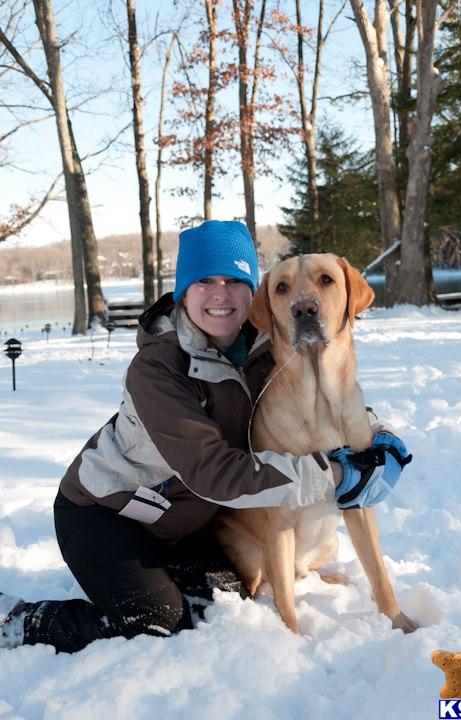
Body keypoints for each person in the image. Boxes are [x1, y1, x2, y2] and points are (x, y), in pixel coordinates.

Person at [0, 220, 410, 653]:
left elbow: (321, 401)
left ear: (252, 292)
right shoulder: (157, 370)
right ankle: (23, 622)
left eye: (234, 280)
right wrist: (335, 475)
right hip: (106, 512)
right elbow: (212, 472)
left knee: (225, 601)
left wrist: (375, 435)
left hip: (183, 519)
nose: (220, 294)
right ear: (183, 293)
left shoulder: (269, 347)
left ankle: (156, 577)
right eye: (204, 281)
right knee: (160, 623)